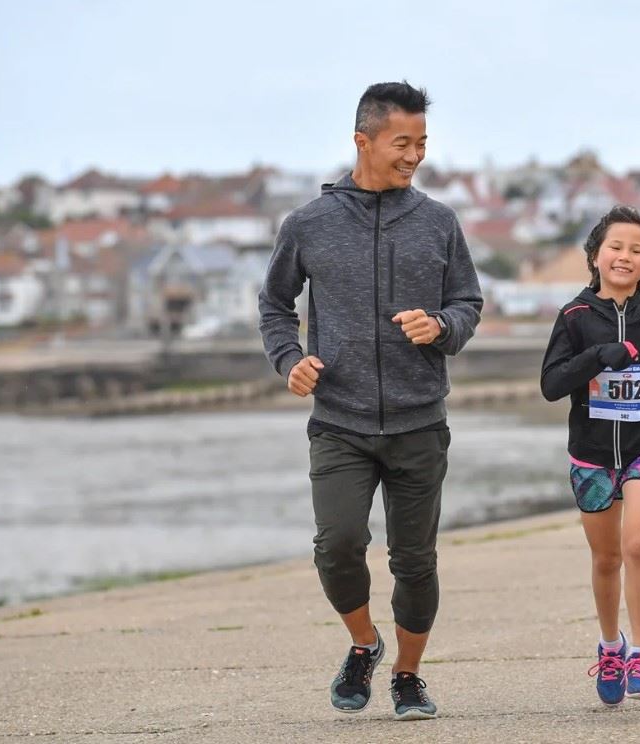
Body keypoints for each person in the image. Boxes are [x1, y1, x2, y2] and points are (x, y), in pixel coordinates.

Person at [258, 81, 482, 720]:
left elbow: (468, 302)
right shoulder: (308, 224)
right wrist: (289, 359)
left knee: (415, 561)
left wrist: (442, 327)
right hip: (339, 422)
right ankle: (364, 643)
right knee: (337, 543)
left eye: (422, 143)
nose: (414, 156)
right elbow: (276, 304)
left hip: (419, 422)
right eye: (401, 143)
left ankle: (407, 676)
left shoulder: (439, 222)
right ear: (363, 141)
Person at [540, 205, 640, 706]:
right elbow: (551, 385)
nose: (625, 256)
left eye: (637, 250)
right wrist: (596, 358)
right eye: (616, 247)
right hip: (592, 455)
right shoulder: (576, 317)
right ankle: (611, 647)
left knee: (638, 545)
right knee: (606, 558)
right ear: (596, 255)